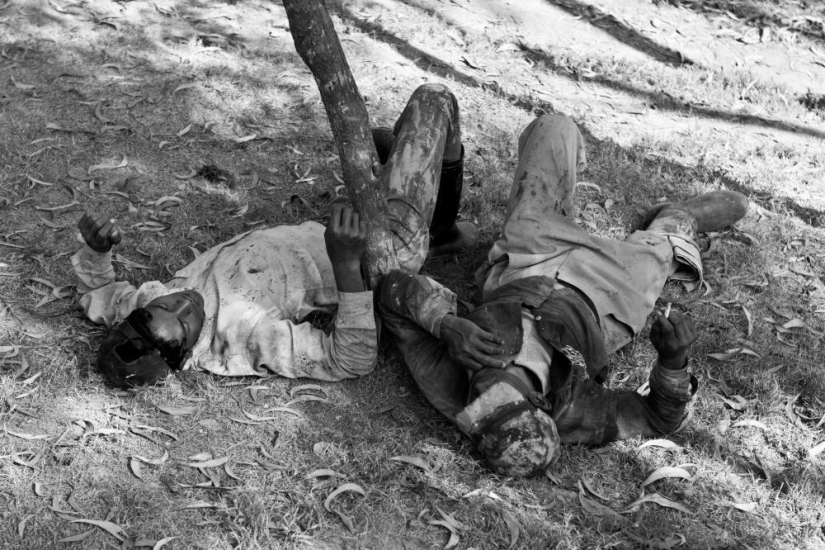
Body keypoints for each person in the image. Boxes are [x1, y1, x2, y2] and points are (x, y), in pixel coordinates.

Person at [377, 114, 749, 476]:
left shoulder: (448, 381)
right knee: (670, 242)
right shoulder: (574, 408)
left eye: (476, 412)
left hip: (527, 263)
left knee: (553, 128)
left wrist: (444, 323)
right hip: (608, 299)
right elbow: (658, 417)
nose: (478, 396)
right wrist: (673, 360)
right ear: (539, 401)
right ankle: (678, 216)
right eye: (495, 401)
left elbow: (392, 288)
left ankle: (553, 208)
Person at [72, 83, 476, 388]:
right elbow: (351, 359)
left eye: (167, 304)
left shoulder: (144, 311)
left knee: (376, 142)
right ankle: (436, 234)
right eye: (187, 320)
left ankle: (431, 218)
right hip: (379, 249)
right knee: (433, 99)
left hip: (332, 229)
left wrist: (96, 250)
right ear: (186, 354)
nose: (184, 302)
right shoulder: (244, 338)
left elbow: (99, 292)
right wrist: (346, 262)